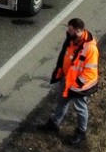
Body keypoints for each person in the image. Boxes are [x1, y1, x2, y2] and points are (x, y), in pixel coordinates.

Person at [41, 17, 99, 145]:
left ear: (78, 30)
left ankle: (81, 132)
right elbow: (66, 56)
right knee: (62, 101)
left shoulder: (90, 48)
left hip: (80, 86)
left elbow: (90, 71)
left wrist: (77, 84)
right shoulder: (72, 39)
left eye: (70, 29)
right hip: (67, 80)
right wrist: (61, 72)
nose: (68, 31)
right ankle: (54, 123)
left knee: (80, 108)